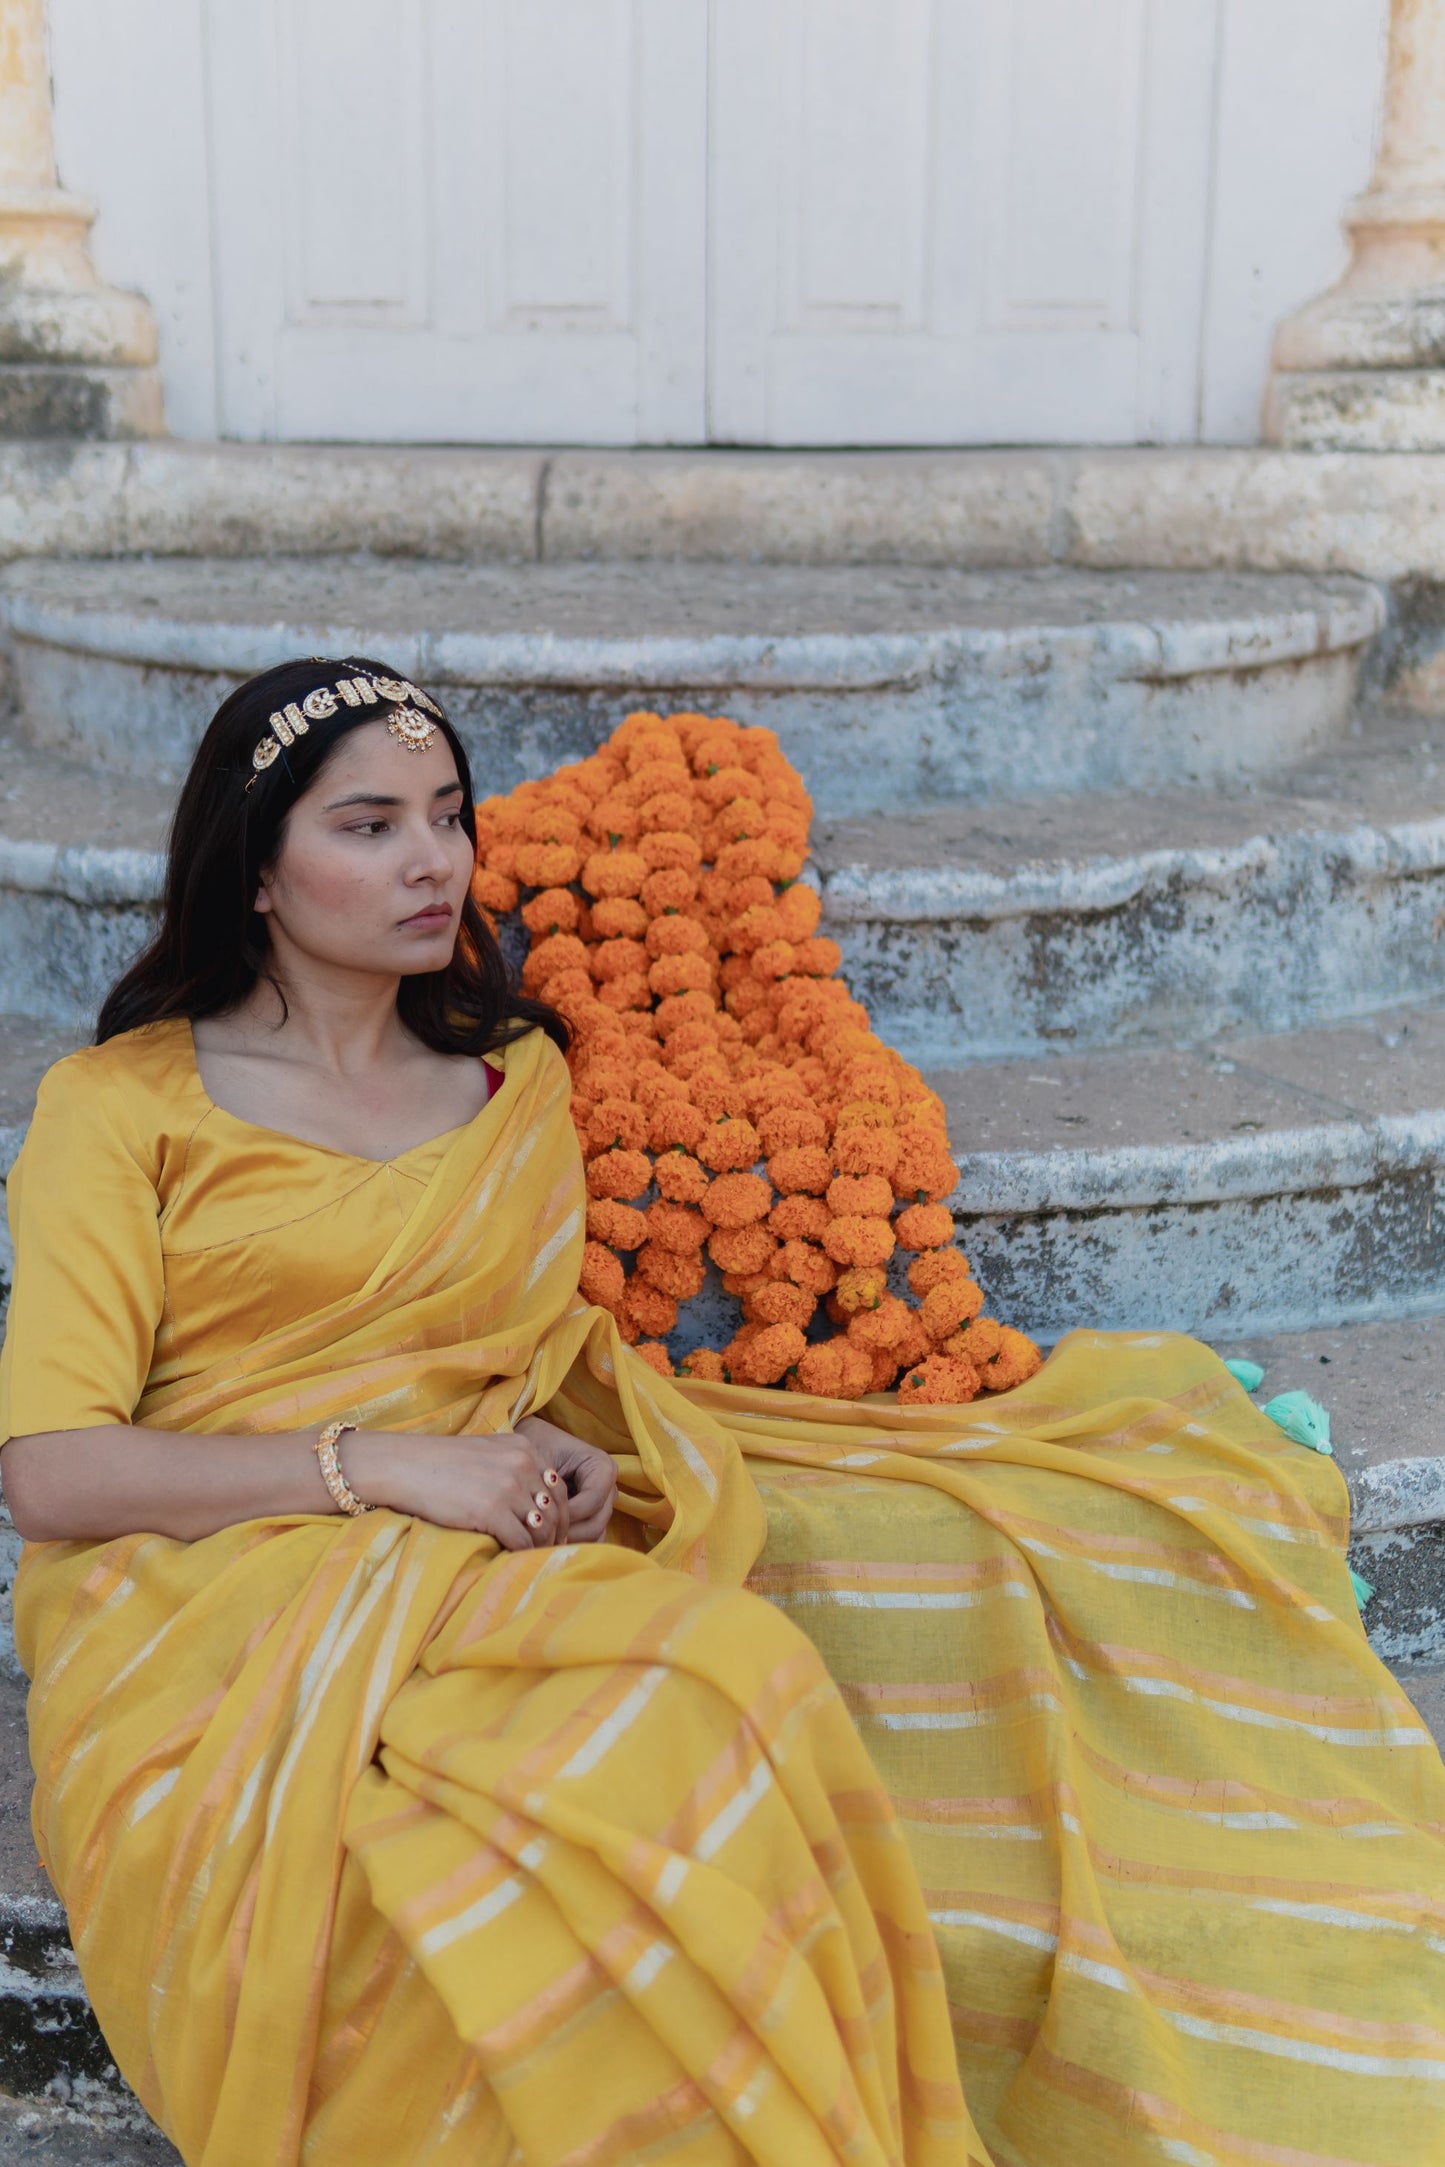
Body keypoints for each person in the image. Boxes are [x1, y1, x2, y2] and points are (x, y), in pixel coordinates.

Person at [1, 660, 1440, 2167]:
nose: (431, 861)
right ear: (253, 873)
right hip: (197, 1593)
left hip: (456, 1547)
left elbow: (509, 1346)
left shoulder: (509, 1090)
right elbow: (50, 1471)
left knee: (739, 1671)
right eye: (367, 827)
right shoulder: (126, 1109)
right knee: (449, 1868)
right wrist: (381, 1467)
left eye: (447, 816)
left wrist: (551, 1436)